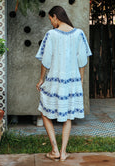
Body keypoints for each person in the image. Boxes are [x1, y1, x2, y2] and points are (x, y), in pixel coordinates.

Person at [35, 6, 92, 162]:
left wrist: (41, 79)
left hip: (55, 80)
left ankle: (54, 150)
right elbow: (82, 61)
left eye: (51, 19)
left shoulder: (51, 35)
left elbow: (45, 61)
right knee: (68, 116)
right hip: (72, 81)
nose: (51, 23)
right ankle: (63, 152)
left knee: (44, 111)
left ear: (55, 17)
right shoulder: (79, 33)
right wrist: (80, 80)